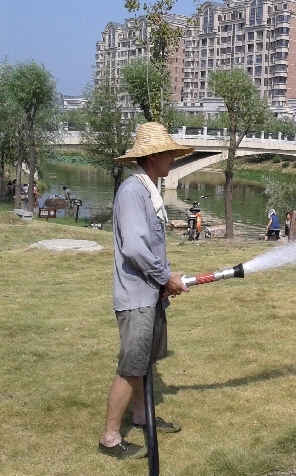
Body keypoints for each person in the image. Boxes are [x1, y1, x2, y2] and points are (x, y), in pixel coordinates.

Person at [98, 122, 194, 460]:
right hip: (136, 299)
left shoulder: (148, 190)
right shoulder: (133, 193)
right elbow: (136, 249)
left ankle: (142, 416)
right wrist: (166, 277)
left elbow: (149, 248)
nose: (173, 158)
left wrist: (163, 281)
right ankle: (110, 438)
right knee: (131, 366)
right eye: (169, 153)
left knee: (144, 361)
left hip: (150, 295)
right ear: (153, 156)